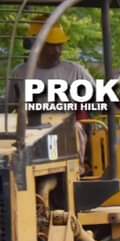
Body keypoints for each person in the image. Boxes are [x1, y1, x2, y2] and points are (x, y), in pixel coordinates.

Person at [7, 15, 94, 160]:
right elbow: (8, 107)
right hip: (30, 132)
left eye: (60, 45)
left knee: (75, 128)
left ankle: (76, 171)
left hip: (66, 131)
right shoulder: (19, 73)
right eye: (51, 45)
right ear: (35, 45)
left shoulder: (75, 72)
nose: (57, 50)